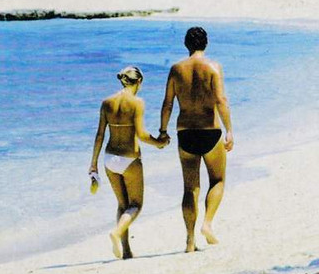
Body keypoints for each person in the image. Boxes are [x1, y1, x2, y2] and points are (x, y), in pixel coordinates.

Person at [159, 27, 234, 253]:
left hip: (185, 133)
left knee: (190, 188)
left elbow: (168, 103)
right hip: (210, 131)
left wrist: (163, 130)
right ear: (206, 43)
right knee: (217, 180)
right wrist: (229, 130)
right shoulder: (213, 67)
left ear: (186, 44)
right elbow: (220, 100)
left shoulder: (176, 69)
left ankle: (190, 241)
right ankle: (207, 224)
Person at [89, 66, 168, 259]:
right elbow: (141, 134)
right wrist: (159, 143)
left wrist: (93, 164)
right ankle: (116, 233)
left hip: (109, 159)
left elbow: (99, 135)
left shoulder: (106, 102)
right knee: (136, 205)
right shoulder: (137, 103)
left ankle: (126, 251)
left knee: (122, 205)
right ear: (139, 81)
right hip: (129, 159)